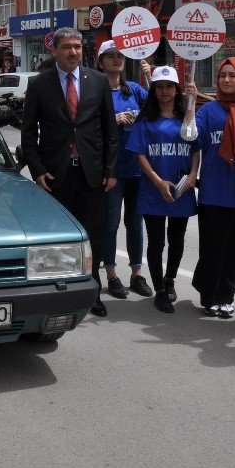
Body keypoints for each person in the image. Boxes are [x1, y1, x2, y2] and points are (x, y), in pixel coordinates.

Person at [21, 27, 120, 318]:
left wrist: (110, 169)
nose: (73, 52)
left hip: (92, 175)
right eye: (67, 47)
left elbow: (109, 132)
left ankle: (93, 291)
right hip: (55, 176)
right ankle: (59, 290)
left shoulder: (98, 81)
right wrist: (37, 170)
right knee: (57, 237)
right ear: (55, 51)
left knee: (94, 236)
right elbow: (28, 134)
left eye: (77, 46)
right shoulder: (40, 84)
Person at [182, 57, 235, 318]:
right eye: (223, 75)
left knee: (233, 248)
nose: (227, 80)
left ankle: (226, 297)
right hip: (213, 192)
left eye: (233, 76)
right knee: (212, 248)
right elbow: (190, 136)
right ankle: (209, 296)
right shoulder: (208, 111)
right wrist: (192, 105)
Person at [125, 67, 199, 313]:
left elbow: (195, 148)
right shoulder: (145, 121)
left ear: (177, 89)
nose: (164, 91)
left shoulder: (186, 118)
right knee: (156, 243)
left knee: (176, 240)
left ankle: (170, 281)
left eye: (169, 86)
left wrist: (192, 175)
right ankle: (159, 290)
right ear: (153, 90)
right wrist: (158, 181)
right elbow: (140, 155)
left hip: (182, 189)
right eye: (159, 86)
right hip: (153, 189)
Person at [96, 40, 152, 299]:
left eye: (120, 56)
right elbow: (86, 126)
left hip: (137, 169)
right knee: (109, 223)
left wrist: (151, 77)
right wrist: (113, 119)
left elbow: (156, 109)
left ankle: (137, 274)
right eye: (110, 56)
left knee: (135, 224)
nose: (116, 60)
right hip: (111, 170)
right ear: (101, 62)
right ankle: (111, 275)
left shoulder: (136, 90)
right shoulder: (96, 91)